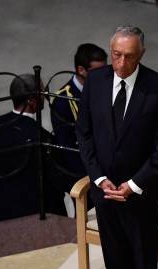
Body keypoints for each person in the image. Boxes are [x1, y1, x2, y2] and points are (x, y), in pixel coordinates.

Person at [76, 26, 158, 269]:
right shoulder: (95, 82)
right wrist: (100, 178)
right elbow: (85, 133)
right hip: (104, 188)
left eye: (128, 57)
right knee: (114, 248)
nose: (120, 63)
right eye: (116, 55)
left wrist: (133, 184)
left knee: (143, 249)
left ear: (141, 54)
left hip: (142, 190)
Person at [0, 74, 67, 221]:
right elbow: (57, 185)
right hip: (39, 215)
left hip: (5, 208)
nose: (45, 95)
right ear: (31, 100)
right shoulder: (43, 138)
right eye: (42, 92)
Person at [51, 43, 107, 202]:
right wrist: (93, 175)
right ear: (81, 70)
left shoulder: (105, 88)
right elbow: (68, 146)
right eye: (98, 71)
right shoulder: (63, 100)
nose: (104, 75)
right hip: (83, 171)